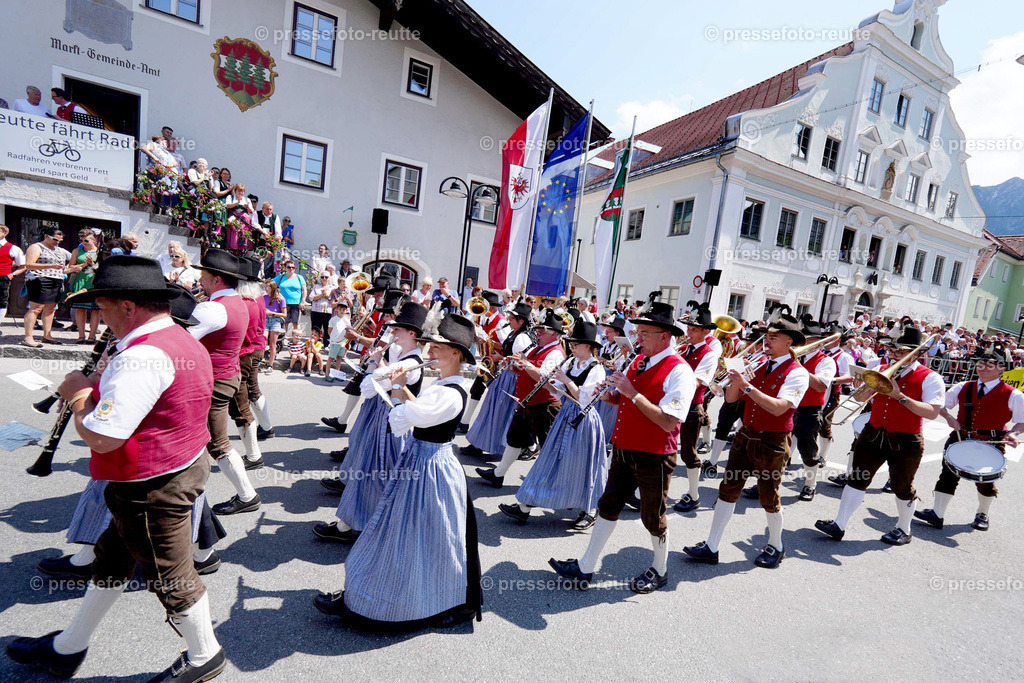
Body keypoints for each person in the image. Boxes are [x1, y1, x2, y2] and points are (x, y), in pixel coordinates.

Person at [6, 256, 226, 681]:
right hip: (175, 467)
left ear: (128, 306)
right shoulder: (179, 339)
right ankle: (69, 646)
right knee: (111, 560)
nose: (99, 317)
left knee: (172, 576)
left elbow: (104, 437)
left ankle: (205, 656)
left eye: (103, 306)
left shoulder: (142, 356)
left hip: (152, 485)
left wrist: (77, 395)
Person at [314, 311, 482, 630]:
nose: (428, 351)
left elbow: (403, 419)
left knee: (425, 536)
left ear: (455, 354)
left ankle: (439, 600)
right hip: (421, 461)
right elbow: (406, 416)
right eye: (429, 345)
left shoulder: (450, 391)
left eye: (435, 347)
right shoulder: (443, 383)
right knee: (401, 531)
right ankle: (369, 594)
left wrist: (397, 386)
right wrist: (396, 382)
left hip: (432, 467)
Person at [550, 302, 695, 593]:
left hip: (655, 454)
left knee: (652, 517)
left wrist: (632, 392)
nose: (637, 337)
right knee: (608, 505)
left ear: (664, 336)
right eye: (638, 331)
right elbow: (623, 398)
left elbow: (668, 422)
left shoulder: (680, 371)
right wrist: (610, 394)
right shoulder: (640, 360)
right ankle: (586, 566)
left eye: (644, 332)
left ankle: (661, 569)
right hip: (625, 446)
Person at [684, 314, 809, 569]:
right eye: (768, 336)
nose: (768, 340)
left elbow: (780, 408)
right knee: (727, 491)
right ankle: (712, 546)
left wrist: (747, 386)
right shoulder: (760, 363)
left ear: (789, 341)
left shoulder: (798, 373)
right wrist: (734, 379)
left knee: (768, 497)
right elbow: (731, 400)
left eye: (774, 337)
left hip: (772, 440)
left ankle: (776, 545)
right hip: (745, 435)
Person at [815, 324, 944, 545]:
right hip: (873, 432)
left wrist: (899, 395)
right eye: (892, 350)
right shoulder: (881, 368)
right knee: (857, 478)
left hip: (906, 438)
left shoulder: (930, 378)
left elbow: (932, 412)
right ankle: (839, 524)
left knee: (901, 486)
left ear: (916, 353)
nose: (893, 355)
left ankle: (904, 529)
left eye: (900, 352)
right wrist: (860, 386)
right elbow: (859, 399)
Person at [314, 302, 428, 541]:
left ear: (412, 334)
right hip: (383, 418)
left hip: (390, 425)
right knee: (370, 471)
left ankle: (355, 526)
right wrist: (377, 360)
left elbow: (370, 385)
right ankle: (362, 523)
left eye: (399, 329)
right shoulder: (403, 353)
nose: (393, 331)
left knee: (372, 474)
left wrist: (376, 361)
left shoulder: (411, 363)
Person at [499, 320, 609, 530]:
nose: (572, 347)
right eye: (571, 343)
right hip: (565, 415)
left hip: (584, 420)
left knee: (583, 466)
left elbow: (583, 399)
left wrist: (565, 379)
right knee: (548, 459)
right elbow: (555, 391)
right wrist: (545, 378)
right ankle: (524, 506)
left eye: (576, 344)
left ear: (588, 345)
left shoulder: (597, 369)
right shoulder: (570, 363)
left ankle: (591, 509)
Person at [914, 344, 1024, 532]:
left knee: (986, 481)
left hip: (991, 441)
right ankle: (937, 514)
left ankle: (982, 514)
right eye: (981, 363)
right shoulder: (962, 386)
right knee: (947, 475)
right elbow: (939, 404)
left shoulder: (1014, 394)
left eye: (991, 364)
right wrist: (949, 418)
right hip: (960, 436)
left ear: (1002, 368)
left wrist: (1013, 433)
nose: (984, 366)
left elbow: (1022, 421)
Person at [190, 249, 260, 516]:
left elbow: (182, 339)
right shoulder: (238, 301)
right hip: (227, 375)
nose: (200, 279)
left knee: (218, 444)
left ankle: (247, 495)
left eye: (204, 275)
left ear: (217, 279)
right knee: (208, 440)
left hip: (215, 380)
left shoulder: (212, 307)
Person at [477, 309, 567, 487]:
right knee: (514, 438)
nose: (538, 332)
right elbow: (526, 370)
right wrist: (513, 365)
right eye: (538, 329)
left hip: (544, 406)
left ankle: (554, 484)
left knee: (548, 447)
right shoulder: (539, 348)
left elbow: (543, 377)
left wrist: (525, 364)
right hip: (527, 402)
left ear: (555, 334)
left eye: (543, 330)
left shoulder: (555, 352)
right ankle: (498, 474)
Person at [460, 301, 536, 459]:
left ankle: (484, 444)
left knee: (496, 412)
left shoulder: (522, 337)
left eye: (513, 318)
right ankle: (479, 443)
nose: (509, 320)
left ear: (521, 321)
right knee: (492, 410)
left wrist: (501, 357)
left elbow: (522, 363)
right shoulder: (516, 332)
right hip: (506, 376)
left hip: (510, 378)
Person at [671, 304, 721, 513]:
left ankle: (694, 495)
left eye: (693, 330)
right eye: (688, 329)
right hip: (674, 404)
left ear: (705, 332)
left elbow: (700, 380)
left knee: (689, 453)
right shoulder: (685, 348)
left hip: (692, 406)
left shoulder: (709, 354)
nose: (688, 333)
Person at [789, 321, 837, 502]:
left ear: (819, 342)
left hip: (810, 409)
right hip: (789, 404)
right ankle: (769, 482)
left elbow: (819, 386)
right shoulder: (796, 357)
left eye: (808, 341)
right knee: (778, 446)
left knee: (808, 450)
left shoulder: (826, 361)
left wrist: (796, 365)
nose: (803, 345)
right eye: (802, 341)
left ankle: (810, 485)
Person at [228, 257, 267, 468]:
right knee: (252, 392)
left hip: (244, 354)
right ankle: (267, 427)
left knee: (241, 406)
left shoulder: (242, 303)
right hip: (256, 349)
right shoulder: (258, 298)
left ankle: (253, 455)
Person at [22, 225, 74, 347]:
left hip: (56, 280)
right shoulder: (36, 247)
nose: (57, 242)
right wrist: (50, 266)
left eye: (60, 241)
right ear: (46, 236)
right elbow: (29, 265)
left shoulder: (60, 250)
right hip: (39, 279)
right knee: (36, 308)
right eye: (55, 239)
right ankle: (28, 337)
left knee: (50, 309)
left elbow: (61, 269)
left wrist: (73, 269)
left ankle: (47, 335)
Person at [68, 231, 102, 343]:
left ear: (94, 240)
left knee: (95, 310)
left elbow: (103, 267)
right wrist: (83, 264)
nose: (83, 243)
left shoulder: (99, 251)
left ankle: (92, 335)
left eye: (86, 240)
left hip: (94, 281)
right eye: (81, 240)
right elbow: (70, 266)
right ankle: (81, 335)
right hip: (80, 279)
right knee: (80, 308)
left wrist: (92, 263)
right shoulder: (77, 251)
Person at [0, 224, 27, 332]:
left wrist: (11, 275)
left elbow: (23, 265)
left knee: (1, 301)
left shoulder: (13, 248)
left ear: (4, 233)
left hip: (2, 277)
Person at [273, 261, 306, 338]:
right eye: (288, 267)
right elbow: (270, 283)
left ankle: (296, 340)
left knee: (296, 324)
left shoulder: (299, 277)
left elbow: (304, 290)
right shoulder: (281, 277)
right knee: (284, 323)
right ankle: (282, 340)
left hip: (296, 304)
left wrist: (303, 301)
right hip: (284, 304)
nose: (291, 269)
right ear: (285, 268)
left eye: (292, 267)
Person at [263, 279, 286, 372]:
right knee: (263, 340)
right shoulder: (264, 297)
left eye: (268, 287)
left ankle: (270, 365)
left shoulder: (281, 298)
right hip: (265, 319)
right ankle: (260, 361)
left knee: (273, 344)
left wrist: (271, 313)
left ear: (272, 288)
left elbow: (284, 314)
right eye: (265, 287)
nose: (266, 289)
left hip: (275, 320)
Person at [326, 301, 352, 381]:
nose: (342, 311)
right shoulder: (333, 319)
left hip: (343, 343)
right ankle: (327, 374)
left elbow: (349, 332)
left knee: (339, 358)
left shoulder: (347, 320)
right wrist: (333, 339)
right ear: (336, 309)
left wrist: (347, 342)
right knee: (331, 358)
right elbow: (329, 331)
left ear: (346, 311)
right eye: (340, 309)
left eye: (343, 309)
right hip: (335, 343)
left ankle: (337, 374)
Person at [308, 273, 335, 340]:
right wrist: (322, 295)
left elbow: (333, 300)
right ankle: (315, 344)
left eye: (326, 277)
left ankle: (326, 344)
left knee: (327, 329)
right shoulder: (316, 287)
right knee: (316, 329)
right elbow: (311, 298)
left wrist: (325, 295)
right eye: (322, 277)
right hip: (316, 311)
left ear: (329, 278)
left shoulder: (333, 288)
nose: (324, 279)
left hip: (328, 311)